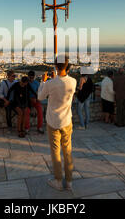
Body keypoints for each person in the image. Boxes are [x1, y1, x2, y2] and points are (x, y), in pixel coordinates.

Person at [38, 55, 76, 191]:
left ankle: (58, 180)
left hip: (53, 121)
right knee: (68, 151)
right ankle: (70, 181)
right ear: (67, 65)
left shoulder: (50, 83)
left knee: (55, 151)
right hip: (66, 121)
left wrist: (43, 82)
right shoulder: (73, 82)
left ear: (55, 65)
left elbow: (40, 97)